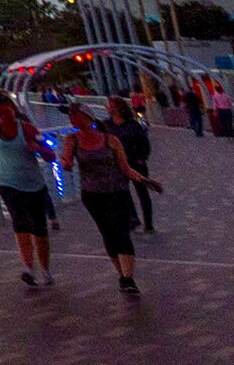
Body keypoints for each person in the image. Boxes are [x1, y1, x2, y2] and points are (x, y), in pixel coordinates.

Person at [63, 103, 161, 296]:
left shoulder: (110, 140)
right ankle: (122, 275)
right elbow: (66, 161)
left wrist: (145, 180)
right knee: (107, 233)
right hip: (92, 196)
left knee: (121, 232)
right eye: (70, 115)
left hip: (117, 191)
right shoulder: (72, 139)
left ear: (87, 117)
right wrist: (65, 162)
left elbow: (124, 169)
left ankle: (128, 278)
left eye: (75, 114)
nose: (71, 118)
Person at [0, 94, 56, 287]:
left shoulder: (26, 128)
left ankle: (45, 270)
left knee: (39, 227)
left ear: (13, 109)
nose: (2, 117)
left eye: (5, 112)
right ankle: (28, 268)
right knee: (20, 224)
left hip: (33, 183)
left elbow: (51, 155)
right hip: (7, 183)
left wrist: (38, 148)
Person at [114, 91, 159, 232]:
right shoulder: (108, 125)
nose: (107, 107)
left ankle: (148, 223)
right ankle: (133, 218)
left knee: (142, 193)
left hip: (136, 162)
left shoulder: (133, 124)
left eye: (110, 105)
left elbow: (144, 142)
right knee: (123, 192)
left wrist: (142, 158)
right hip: (119, 163)